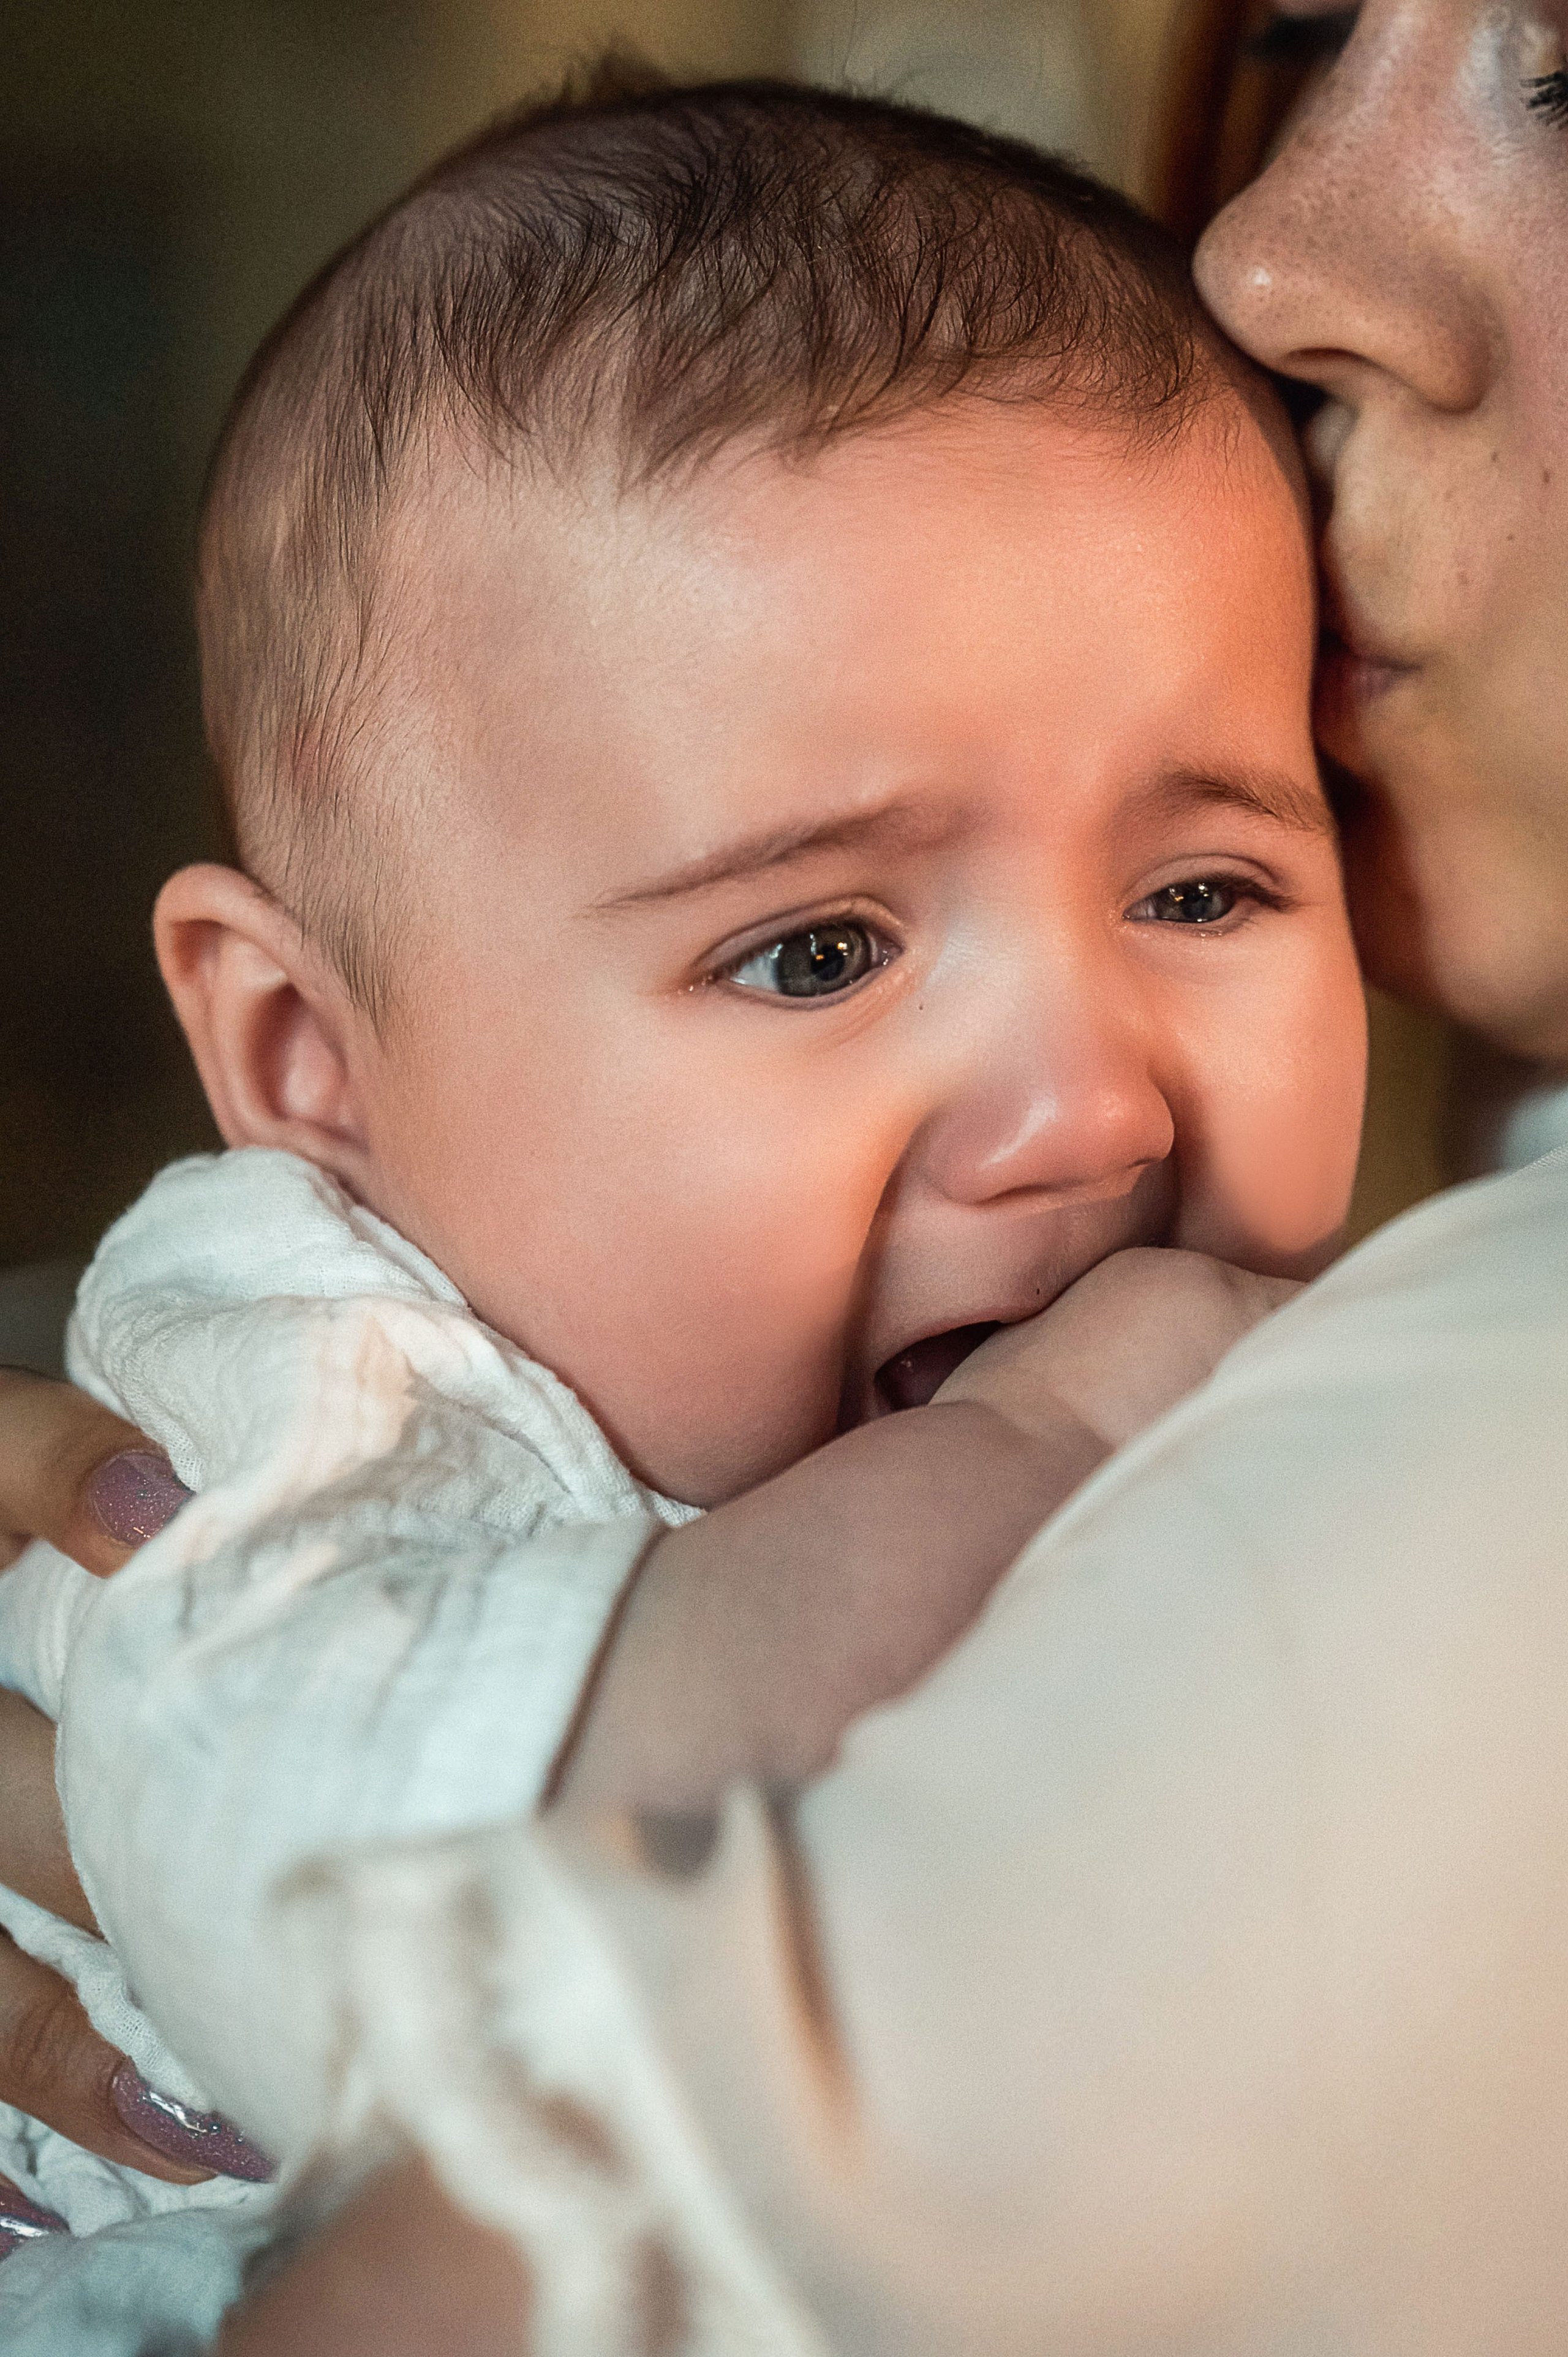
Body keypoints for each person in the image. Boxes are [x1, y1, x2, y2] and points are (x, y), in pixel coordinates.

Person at [5, 0, 1566, 2342]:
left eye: (1210, 889)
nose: (1091, 1112)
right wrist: (1050, 1435)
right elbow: (462, 1894)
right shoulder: (317, 1396)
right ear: (311, 1065)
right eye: (820, 946)